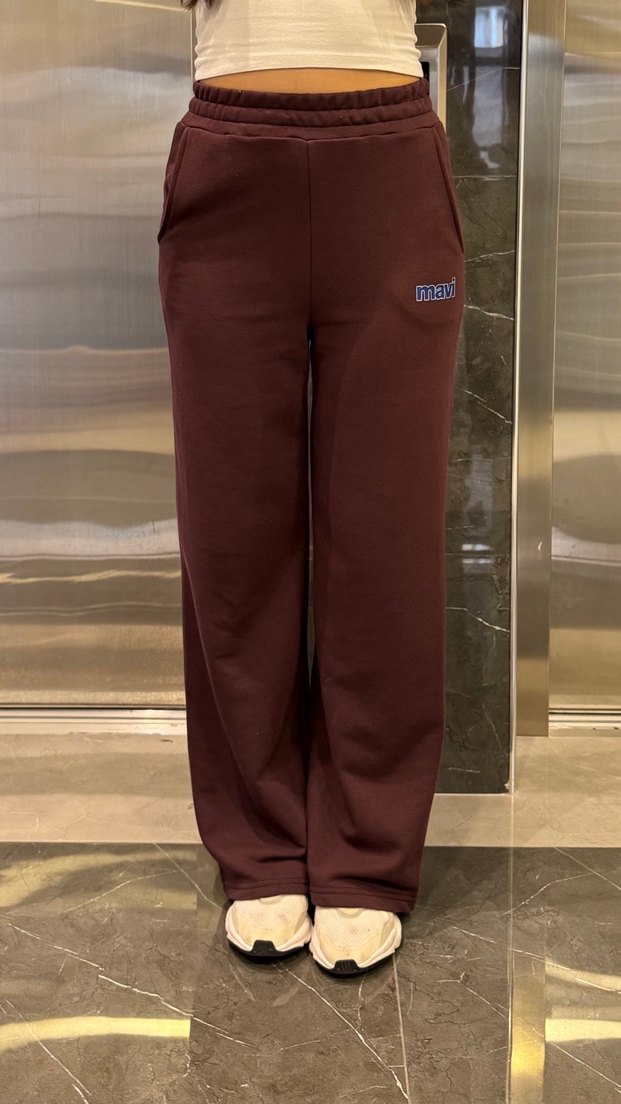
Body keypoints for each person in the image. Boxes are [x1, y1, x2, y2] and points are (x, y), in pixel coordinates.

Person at [157, 0, 464, 976]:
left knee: (386, 529)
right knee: (232, 526)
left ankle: (367, 855)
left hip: (388, 159)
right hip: (227, 160)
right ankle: (260, 847)